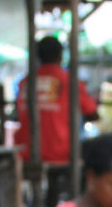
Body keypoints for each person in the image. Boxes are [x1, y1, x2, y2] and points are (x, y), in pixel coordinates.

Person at [15, 36, 99, 165]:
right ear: (60, 55)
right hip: (61, 154)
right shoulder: (70, 81)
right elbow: (92, 113)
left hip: (26, 153)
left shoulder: (25, 82)